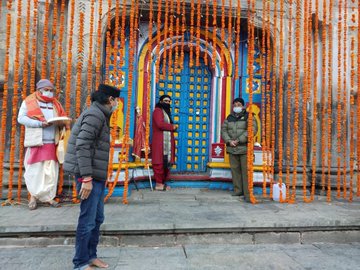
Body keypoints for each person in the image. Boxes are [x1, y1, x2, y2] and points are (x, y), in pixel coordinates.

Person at [63, 84, 120, 270]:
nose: (117, 104)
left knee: (97, 218)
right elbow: (82, 145)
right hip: (89, 176)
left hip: (96, 174)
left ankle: (91, 256)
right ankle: (80, 262)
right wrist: (86, 178)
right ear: (110, 100)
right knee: (87, 220)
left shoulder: (100, 114)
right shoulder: (95, 115)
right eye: (116, 100)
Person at [18, 79, 68, 210]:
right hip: (36, 141)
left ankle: (48, 197)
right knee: (34, 170)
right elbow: (21, 118)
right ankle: (33, 197)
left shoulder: (56, 104)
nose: (49, 92)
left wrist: (62, 122)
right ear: (39, 90)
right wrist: (40, 123)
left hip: (52, 141)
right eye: (47, 90)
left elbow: (62, 117)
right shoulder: (29, 102)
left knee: (51, 171)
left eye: (51, 90)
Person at [221, 97, 258, 202]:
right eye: (235, 105)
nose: (236, 106)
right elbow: (224, 130)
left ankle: (247, 193)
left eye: (239, 105)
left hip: (244, 148)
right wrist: (229, 141)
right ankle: (238, 190)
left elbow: (252, 130)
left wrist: (238, 140)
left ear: (243, 106)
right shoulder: (229, 117)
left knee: (246, 171)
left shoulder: (249, 116)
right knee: (235, 170)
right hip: (232, 148)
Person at [151, 94, 177, 191]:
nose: (167, 103)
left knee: (166, 162)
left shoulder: (166, 112)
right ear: (161, 101)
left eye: (169, 101)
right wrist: (172, 127)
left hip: (167, 141)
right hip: (159, 141)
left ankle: (162, 183)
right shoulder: (157, 111)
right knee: (159, 162)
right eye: (165, 101)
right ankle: (158, 184)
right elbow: (159, 124)